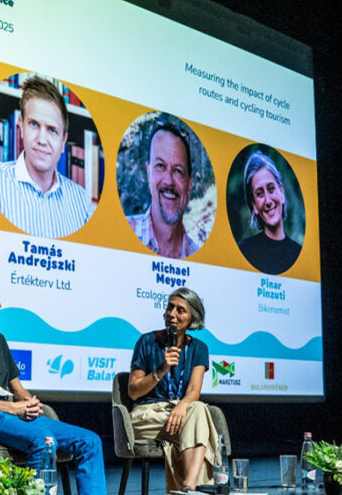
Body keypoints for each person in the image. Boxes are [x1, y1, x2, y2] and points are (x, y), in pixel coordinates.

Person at [0, 275, 106, 494]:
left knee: (89, 442)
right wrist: (9, 407)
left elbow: (17, 388)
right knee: (44, 440)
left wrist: (28, 401)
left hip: (10, 415)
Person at [128, 287, 219, 492]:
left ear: (192, 318)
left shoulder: (199, 348)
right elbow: (133, 391)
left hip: (181, 413)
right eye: (170, 308)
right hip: (148, 415)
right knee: (199, 425)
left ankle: (188, 487)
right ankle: (193, 489)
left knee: (198, 408)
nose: (172, 314)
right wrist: (161, 369)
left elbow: (195, 389)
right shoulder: (146, 342)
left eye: (180, 310)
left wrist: (182, 406)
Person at [0, 76, 91, 238]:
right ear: (21, 127)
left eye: (52, 130)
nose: (42, 140)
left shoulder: (82, 203)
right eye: (34, 124)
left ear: (63, 141)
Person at [127, 122, 200, 258]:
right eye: (160, 166)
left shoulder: (200, 257)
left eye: (178, 171)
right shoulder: (121, 233)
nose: (169, 181)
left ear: (189, 184)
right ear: (149, 173)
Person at [237, 151, 302, 274]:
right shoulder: (244, 250)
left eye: (271, 189)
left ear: (281, 192)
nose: (268, 200)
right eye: (260, 194)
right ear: (254, 205)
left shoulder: (299, 253)